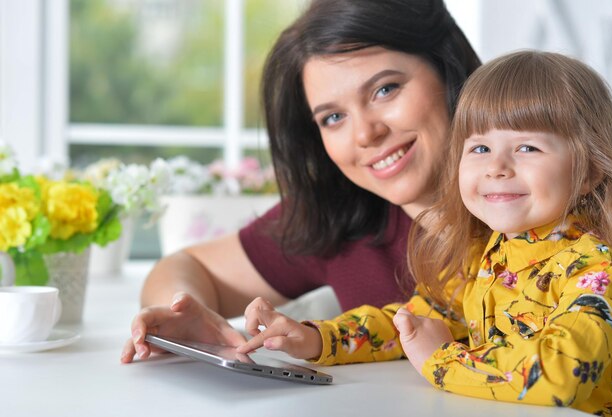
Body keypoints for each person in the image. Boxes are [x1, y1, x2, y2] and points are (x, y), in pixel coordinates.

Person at [237, 50, 612, 416]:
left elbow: (558, 375)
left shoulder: (598, 273)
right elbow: (409, 322)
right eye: (479, 149)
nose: (497, 167)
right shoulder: (483, 257)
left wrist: (441, 359)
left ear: (589, 171)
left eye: (527, 148)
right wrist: (317, 339)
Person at [120, 0, 481, 363]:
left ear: (447, 68)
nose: (365, 134)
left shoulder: (534, 204)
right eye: (334, 117)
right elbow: (184, 267)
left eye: (385, 90)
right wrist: (183, 314)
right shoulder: (340, 218)